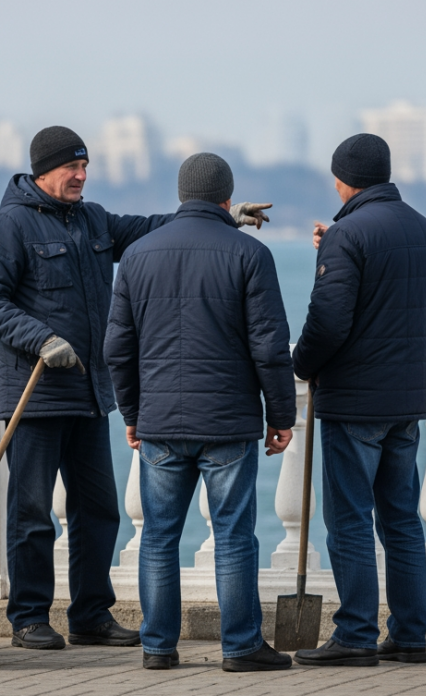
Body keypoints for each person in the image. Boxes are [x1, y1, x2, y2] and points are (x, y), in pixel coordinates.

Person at [0, 127, 272, 651]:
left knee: (100, 510)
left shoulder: (92, 219)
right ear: (43, 170)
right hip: (35, 396)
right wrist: (40, 339)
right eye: (72, 168)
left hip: (89, 396)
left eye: (85, 167)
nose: (82, 176)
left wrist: (225, 214)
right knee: (32, 513)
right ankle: (28, 618)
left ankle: (90, 615)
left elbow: (152, 229)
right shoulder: (8, 226)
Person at [105, 153, 296, 672]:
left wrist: (132, 412)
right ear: (228, 199)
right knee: (234, 534)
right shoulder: (249, 254)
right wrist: (282, 415)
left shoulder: (139, 255)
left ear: (181, 195)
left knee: (159, 536)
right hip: (228, 421)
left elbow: (117, 347)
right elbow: (270, 346)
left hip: (160, 421)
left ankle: (157, 647)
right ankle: (240, 648)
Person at [290, 134, 426, 667]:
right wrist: (335, 244)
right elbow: (389, 291)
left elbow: (329, 323)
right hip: (405, 402)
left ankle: (354, 633)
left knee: (350, 520)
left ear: (342, 179)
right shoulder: (422, 229)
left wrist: (301, 365)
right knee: (401, 521)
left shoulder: (348, 235)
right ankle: (408, 635)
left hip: (354, 402)